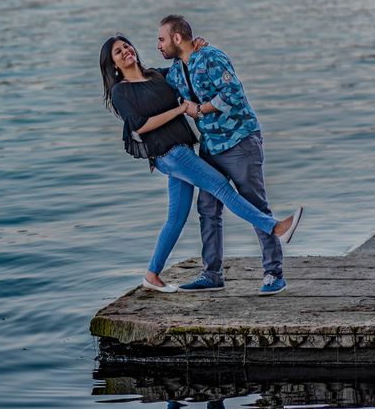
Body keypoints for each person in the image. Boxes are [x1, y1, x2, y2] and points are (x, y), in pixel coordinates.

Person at [100, 34, 302, 293]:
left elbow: (183, 68)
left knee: (176, 219)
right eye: (118, 52)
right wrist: (180, 109)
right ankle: (275, 227)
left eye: (127, 46)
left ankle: (152, 274)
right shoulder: (121, 91)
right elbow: (140, 127)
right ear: (114, 64)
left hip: (183, 148)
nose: (126, 51)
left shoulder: (157, 76)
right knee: (221, 188)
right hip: (169, 154)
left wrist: (195, 49)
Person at [157, 14, 292, 296]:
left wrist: (200, 110)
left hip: (240, 141)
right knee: (208, 210)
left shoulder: (211, 57)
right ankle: (212, 275)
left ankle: (273, 273)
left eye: (162, 39)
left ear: (177, 38)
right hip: (210, 147)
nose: (159, 45)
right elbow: (153, 80)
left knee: (255, 205)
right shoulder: (176, 70)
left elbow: (233, 93)